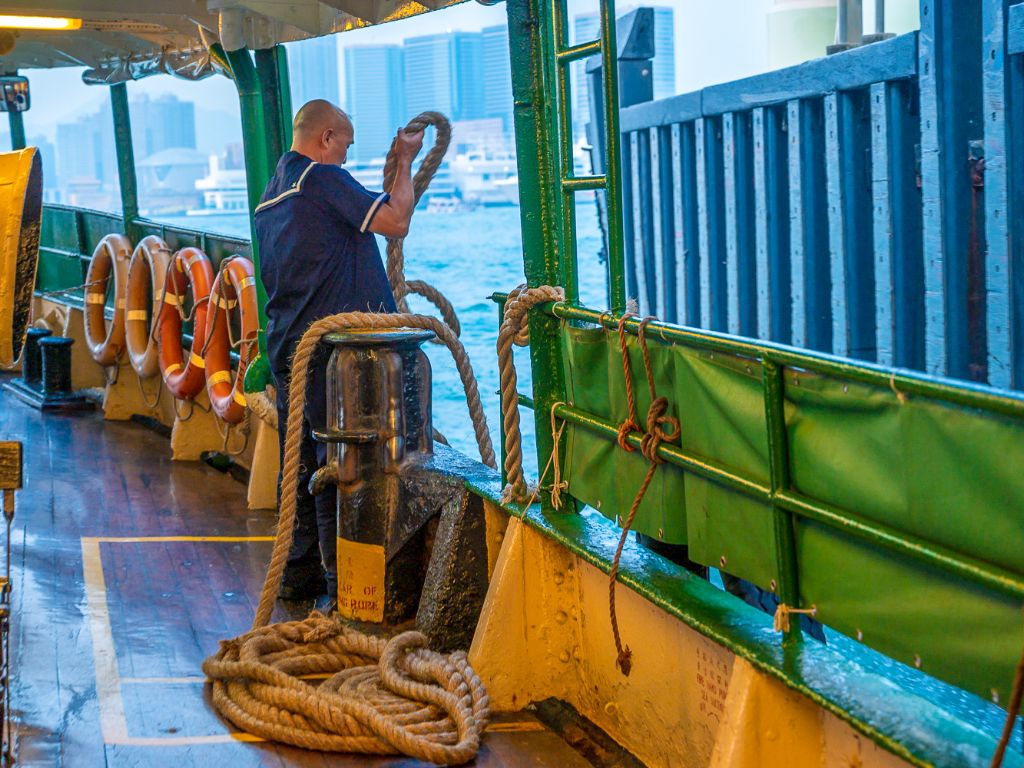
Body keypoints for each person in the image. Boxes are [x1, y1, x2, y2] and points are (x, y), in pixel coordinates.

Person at [255, 99, 424, 603]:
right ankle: (341, 590)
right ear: (325, 138)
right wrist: (406, 162)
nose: (347, 159)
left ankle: (297, 574)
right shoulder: (321, 180)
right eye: (345, 146)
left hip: (293, 351)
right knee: (337, 465)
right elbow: (395, 220)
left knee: (302, 464)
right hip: (334, 357)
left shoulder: (272, 197)